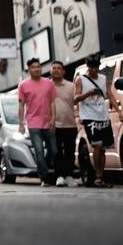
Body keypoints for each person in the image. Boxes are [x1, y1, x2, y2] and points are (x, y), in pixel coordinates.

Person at [17, 57, 57, 186]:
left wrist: (53, 119)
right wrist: (21, 124)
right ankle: (44, 178)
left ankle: (44, 167)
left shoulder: (49, 83)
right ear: (28, 70)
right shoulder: (23, 85)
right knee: (39, 150)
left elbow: (52, 102)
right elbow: (21, 105)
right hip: (33, 123)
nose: (37, 69)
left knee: (54, 150)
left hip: (48, 122)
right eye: (33, 67)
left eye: (38, 66)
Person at [75, 54, 112, 188]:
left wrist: (119, 112)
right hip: (89, 117)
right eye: (91, 67)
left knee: (103, 148)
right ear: (88, 67)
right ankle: (97, 177)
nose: (94, 70)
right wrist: (88, 93)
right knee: (97, 145)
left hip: (103, 116)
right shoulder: (81, 79)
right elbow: (75, 99)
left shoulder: (103, 78)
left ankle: (100, 177)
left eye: (96, 67)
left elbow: (110, 94)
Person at [50, 60, 78, 187]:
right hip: (53, 125)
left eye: (58, 68)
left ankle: (69, 176)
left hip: (70, 123)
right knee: (56, 152)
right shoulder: (47, 86)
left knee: (69, 152)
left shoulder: (71, 86)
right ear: (50, 71)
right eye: (53, 68)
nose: (56, 70)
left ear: (63, 71)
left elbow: (77, 103)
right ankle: (59, 176)